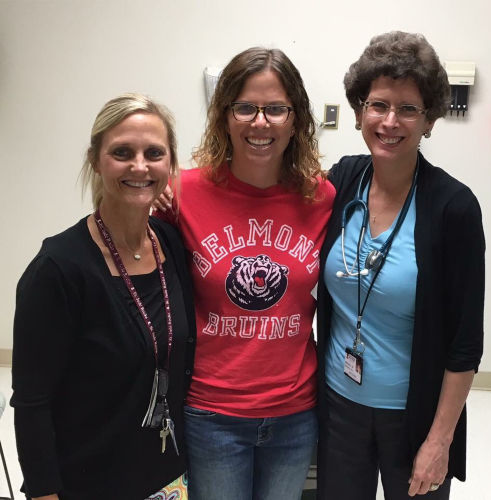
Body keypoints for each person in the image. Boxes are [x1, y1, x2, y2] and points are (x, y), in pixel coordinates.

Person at [155, 47, 335, 499]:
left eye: (276, 109)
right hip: (212, 413)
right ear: (225, 115)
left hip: (296, 410)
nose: (261, 122)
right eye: (246, 107)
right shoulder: (181, 193)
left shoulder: (322, 197)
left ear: (296, 120)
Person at [316, 32, 485, 499]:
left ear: (429, 119)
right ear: (358, 112)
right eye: (378, 105)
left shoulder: (454, 208)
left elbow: (466, 343)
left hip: (413, 417)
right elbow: (270, 193)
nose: (390, 121)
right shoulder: (342, 179)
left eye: (408, 108)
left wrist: (440, 440)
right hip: (338, 405)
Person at [11, 93, 196, 500]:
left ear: (170, 164)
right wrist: (44, 494)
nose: (140, 166)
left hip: (169, 479)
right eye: (122, 152)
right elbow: (32, 404)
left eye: (154, 153)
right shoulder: (58, 269)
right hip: (88, 483)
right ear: (96, 160)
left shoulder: (169, 242)